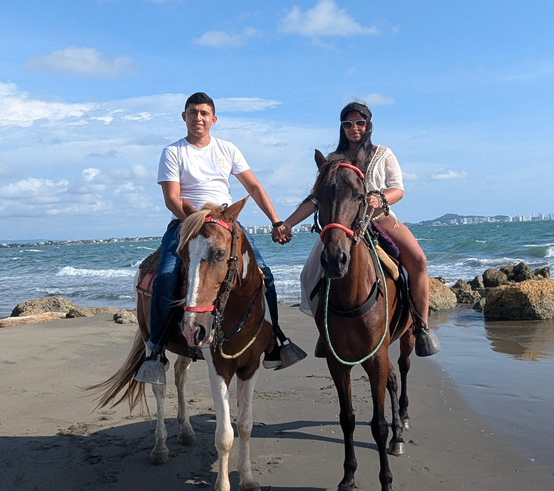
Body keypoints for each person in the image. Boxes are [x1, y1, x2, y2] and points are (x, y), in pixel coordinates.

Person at [135, 92, 306, 385]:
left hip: (225, 223)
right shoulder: (173, 152)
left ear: (213, 119)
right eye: (192, 112)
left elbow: (253, 187)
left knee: (264, 274)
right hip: (187, 223)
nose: (198, 118)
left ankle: (275, 340)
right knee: (166, 275)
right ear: (184, 117)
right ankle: (156, 350)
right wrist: (198, 223)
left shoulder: (227, 149)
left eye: (204, 113)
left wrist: (276, 220)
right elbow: (172, 198)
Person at [272, 102, 440, 357]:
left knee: (418, 261)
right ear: (342, 127)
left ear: (368, 126)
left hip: (379, 218)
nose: (354, 128)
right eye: (348, 124)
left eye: (360, 123)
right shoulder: (332, 161)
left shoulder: (383, 154)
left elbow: (398, 189)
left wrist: (380, 198)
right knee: (309, 274)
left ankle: (422, 326)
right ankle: (326, 331)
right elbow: (317, 198)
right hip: (342, 224)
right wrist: (288, 223)